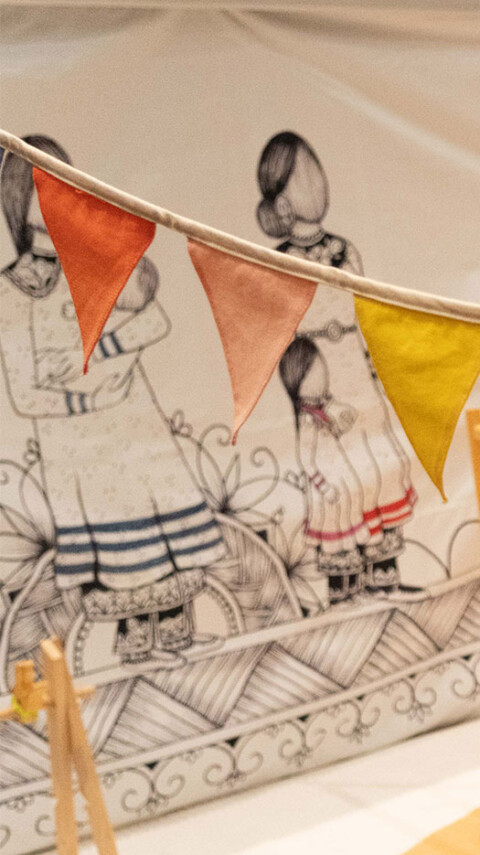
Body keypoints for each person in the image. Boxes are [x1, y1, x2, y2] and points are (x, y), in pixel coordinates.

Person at [0, 137, 222, 667]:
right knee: (125, 552)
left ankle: (178, 636)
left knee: (167, 534)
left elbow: (155, 320)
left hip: (135, 423)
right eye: (41, 190)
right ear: (16, 201)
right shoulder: (13, 290)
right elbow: (25, 393)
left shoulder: (98, 260)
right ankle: (134, 648)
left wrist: (98, 351)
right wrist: (86, 397)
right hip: (83, 447)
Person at [255, 131, 421, 600]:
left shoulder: (345, 251)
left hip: (357, 372)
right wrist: (310, 392)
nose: (317, 184)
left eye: (317, 172)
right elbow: (278, 335)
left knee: (380, 462)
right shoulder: (279, 261)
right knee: (337, 478)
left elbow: (367, 312)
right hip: (317, 374)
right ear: (281, 199)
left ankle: (384, 574)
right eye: (302, 177)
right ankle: (344, 587)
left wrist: (378, 370)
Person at [278, 337, 409, 607]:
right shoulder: (307, 419)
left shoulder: (322, 409)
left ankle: (359, 590)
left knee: (349, 537)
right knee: (337, 543)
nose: (322, 379)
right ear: (298, 379)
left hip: (343, 487)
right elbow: (307, 459)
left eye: (322, 371)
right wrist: (323, 486)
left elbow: (346, 417)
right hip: (329, 494)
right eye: (314, 374)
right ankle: (341, 596)